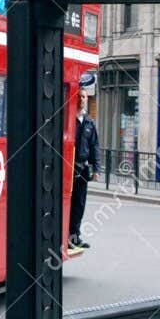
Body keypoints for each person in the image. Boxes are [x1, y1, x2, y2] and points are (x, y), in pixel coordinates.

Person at [68, 90, 99, 252]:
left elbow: (94, 146)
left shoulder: (89, 122)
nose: (81, 99)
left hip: (83, 167)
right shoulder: (69, 119)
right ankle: (66, 237)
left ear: (87, 99)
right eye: (79, 96)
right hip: (69, 167)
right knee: (68, 203)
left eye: (84, 96)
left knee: (79, 204)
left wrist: (97, 168)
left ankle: (75, 237)